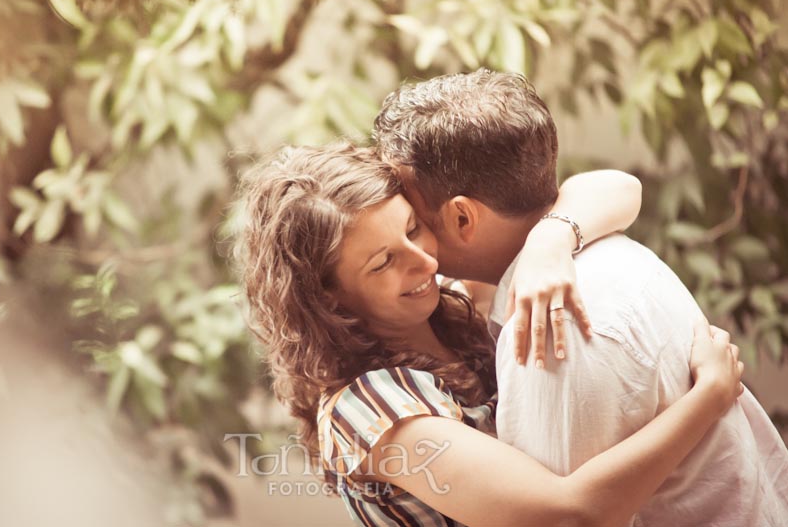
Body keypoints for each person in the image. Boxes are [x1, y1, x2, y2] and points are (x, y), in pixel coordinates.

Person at [235, 142, 744, 527]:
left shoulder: (454, 309)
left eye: (412, 228)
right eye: (384, 261)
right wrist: (708, 399)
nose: (425, 261)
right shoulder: (370, 412)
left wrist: (551, 239)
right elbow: (568, 517)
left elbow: (619, 187)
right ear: (328, 301)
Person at [373, 69, 788, 526]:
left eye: (411, 217)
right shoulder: (595, 248)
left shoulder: (553, 325)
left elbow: (569, 519)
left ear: (462, 219)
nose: (404, 230)